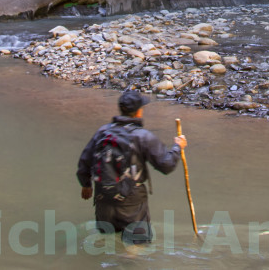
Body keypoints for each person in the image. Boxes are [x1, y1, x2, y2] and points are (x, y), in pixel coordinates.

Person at [77, 90, 187, 244]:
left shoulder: (102, 132)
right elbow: (166, 165)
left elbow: (84, 161)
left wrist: (86, 185)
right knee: (136, 247)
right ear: (139, 112)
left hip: (103, 200)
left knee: (108, 242)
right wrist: (178, 147)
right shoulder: (143, 136)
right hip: (132, 204)